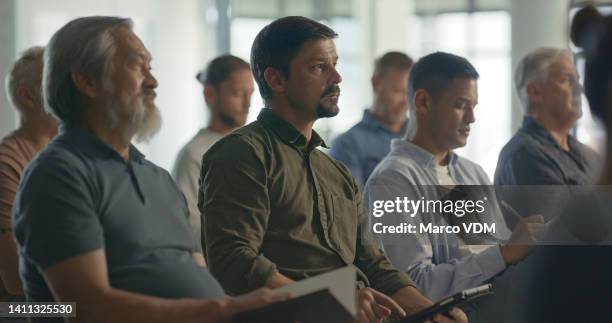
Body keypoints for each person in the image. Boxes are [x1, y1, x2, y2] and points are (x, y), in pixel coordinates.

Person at [12, 16, 285, 323]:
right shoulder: (58, 174)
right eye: (136, 66)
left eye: (150, 68)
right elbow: (87, 308)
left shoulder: (158, 178)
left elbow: (198, 278)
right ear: (87, 81)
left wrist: (249, 310)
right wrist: (219, 309)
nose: (153, 81)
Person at [199, 16, 467, 323]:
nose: (337, 77)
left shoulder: (334, 171)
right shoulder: (243, 153)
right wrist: (333, 299)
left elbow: (372, 262)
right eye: (318, 67)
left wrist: (430, 310)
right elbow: (232, 260)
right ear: (276, 80)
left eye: (335, 64)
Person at [363, 52, 543, 301]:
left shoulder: (472, 172)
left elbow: (502, 256)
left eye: (474, 106)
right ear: (423, 102)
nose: (471, 118)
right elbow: (414, 287)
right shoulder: (392, 181)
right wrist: (504, 253)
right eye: (460, 105)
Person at [173, 54, 253, 244]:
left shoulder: (255, 146)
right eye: (237, 93)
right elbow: (188, 226)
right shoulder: (193, 154)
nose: (247, 103)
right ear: (210, 94)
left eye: (250, 94)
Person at [494, 48, 600, 186]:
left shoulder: (589, 155)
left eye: (577, 80)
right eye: (566, 80)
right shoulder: (525, 156)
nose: (579, 88)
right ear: (534, 92)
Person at [0, 46, 57, 301]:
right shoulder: (7, 163)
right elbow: (15, 281)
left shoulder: (71, 154)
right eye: (53, 83)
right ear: (27, 97)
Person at [330, 52, 413, 188]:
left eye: (409, 93)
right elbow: (353, 207)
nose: (405, 102)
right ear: (375, 83)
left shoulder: (425, 138)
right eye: (398, 91)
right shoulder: (347, 145)